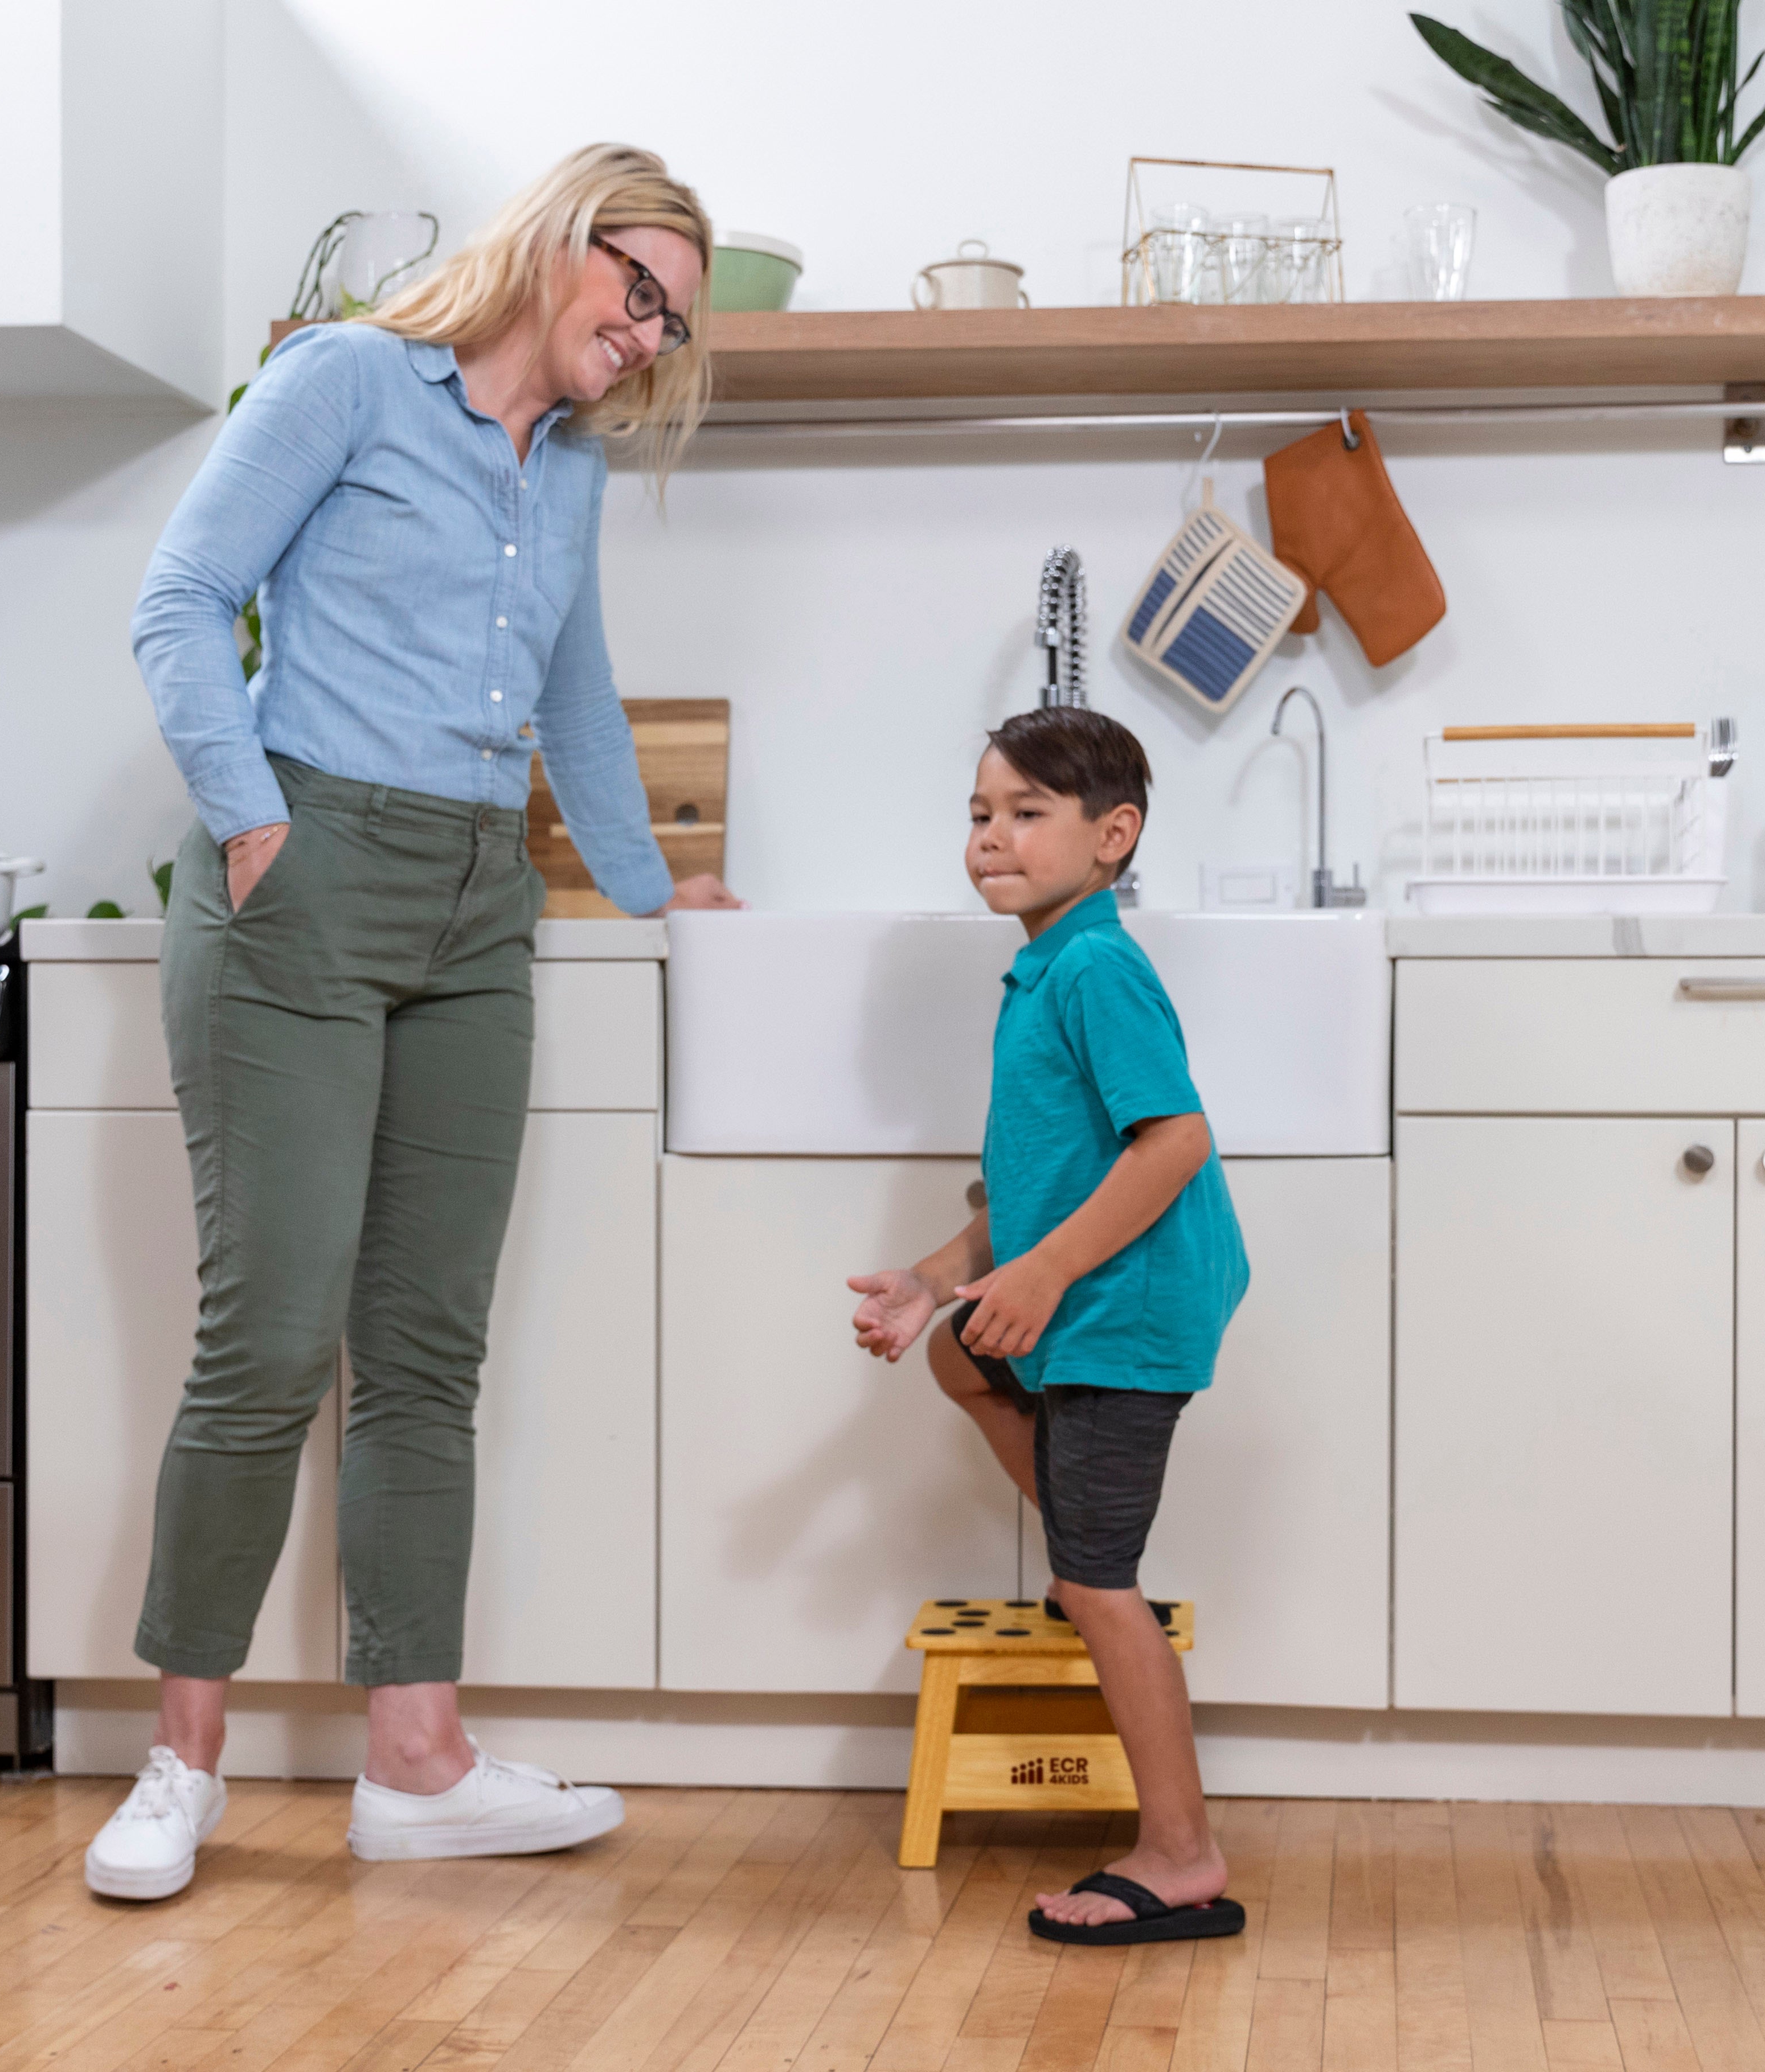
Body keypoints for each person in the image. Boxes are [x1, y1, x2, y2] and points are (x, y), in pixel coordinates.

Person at [84, 144, 739, 1903]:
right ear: (559, 242)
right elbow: (176, 602)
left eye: (676, 320)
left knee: (426, 1351)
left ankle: (419, 1763)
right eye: (640, 290)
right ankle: (180, 1763)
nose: (650, 335)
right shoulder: (350, 383)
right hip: (302, 870)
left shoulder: (575, 474)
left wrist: (669, 900)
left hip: (477, 906)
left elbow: (577, 701)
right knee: (270, 1341)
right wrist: (248, 816)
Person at [848, 707, 1251, 1946]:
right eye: (980, 812)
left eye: (1027, 812)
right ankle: (1089, 1556)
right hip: (1093, 1287)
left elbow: (1172, 1140)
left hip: (1127, 1301)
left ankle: (1181, 1853)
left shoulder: (1094, 965)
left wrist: (1046, 1274)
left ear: (1111, 835)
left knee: (1095, 1582)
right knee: (955, 1355)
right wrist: (935, 1280)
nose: (992, 835)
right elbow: (1029, 1185)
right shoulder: (1041, 966)